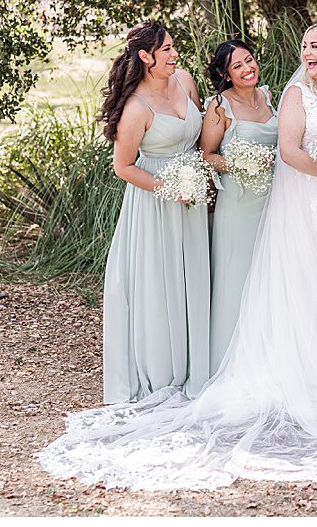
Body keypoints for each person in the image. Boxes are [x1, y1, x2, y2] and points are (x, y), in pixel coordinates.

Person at [36, 21, 317, 491]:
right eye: (169, 49)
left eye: (314, 45)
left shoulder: (299, 94)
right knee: (213, 280)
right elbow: (207, 150)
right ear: (148, 57)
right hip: (221, 198)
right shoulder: (259, 100)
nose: (303, 53)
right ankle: (186, 368)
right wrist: (225, 170)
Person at [97, 20, 210, 404]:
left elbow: (203, 127)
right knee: (159, 282)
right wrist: (170, 188)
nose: (174, 54)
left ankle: (197, 361)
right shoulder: (136, 108)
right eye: (166, 50)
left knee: (191, 275)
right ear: (145, 57)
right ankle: (163, 369)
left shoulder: (186, 81)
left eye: (173, 47)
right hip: (156, 201)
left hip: (191, 195)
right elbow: (124, 167)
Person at [201, 40, 278, 380]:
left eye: (250, 60)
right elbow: (207, 155)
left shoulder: (270, 97)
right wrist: (238, 164)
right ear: (225, 74)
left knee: (272, 276)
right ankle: (229, 364)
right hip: (238, 202)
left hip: (276, 202)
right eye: (238, 66)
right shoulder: (220, 106)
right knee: (238, 276)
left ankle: (270, 355)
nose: (249, 69)